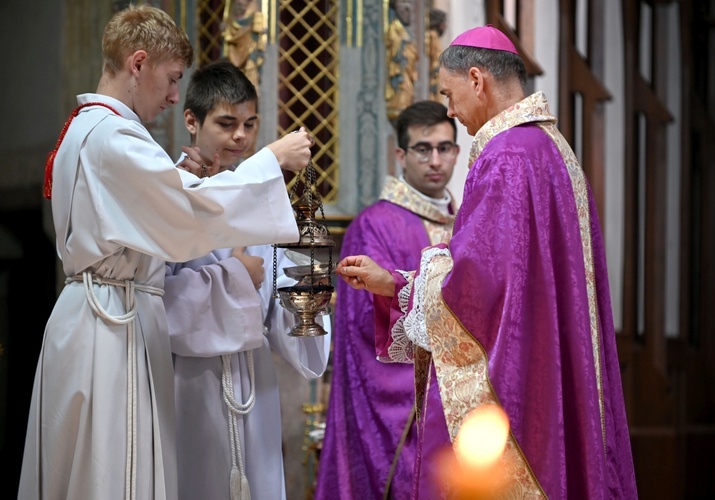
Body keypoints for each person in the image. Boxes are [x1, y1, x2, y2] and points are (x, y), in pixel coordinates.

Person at [18, 5, 313, 500]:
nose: (176, 95)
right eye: (172, 78)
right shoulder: (113, 134)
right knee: (114, 472)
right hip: (112, 321)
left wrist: (183, 177)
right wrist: (270, 162)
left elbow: (158, 201)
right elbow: (182, 216)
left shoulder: (87, 129)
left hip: (100, 312)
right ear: (138, 64)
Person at [337, 25, 638, 499]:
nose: (451, 110)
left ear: (477, 80)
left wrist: (401, 286)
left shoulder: (506, 155)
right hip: (547, 365)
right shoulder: (551, 148)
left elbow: (473, 289)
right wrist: (397, 282)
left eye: (449, 95)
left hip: (520, 384)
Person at [164, 60, 331, 500]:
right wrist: (237, 279)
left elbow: (277, 315)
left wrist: (305, 302)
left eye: (250, 124)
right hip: (191, 383)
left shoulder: (263, 202)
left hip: (255, 381)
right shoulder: (169, 193)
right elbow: (159, 301)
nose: (240, 136)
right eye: (226, 124)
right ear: (191, 121)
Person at [315, 101, 459, 500]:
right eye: (423, 148)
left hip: (461, 401)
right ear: (400, 155)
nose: (435, 160)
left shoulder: (464, 222)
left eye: (445, 148)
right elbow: (362, 327)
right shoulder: (374, 225)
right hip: (406, 409)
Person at [385, 0, 418, 123]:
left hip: (407, 69)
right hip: (399, 67)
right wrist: (403, 44)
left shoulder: (405, 30)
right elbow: (393, 43)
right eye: (403, 3)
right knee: (402, 88)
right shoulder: (394, 26)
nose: (408, 9)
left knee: (407, 90)